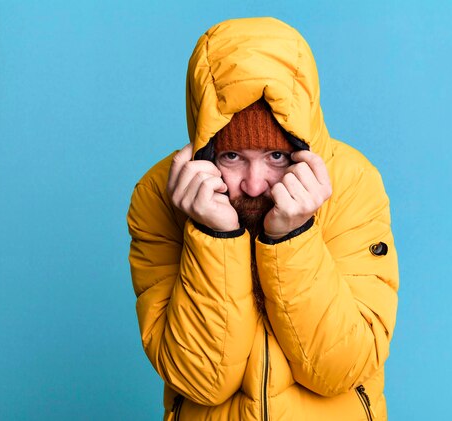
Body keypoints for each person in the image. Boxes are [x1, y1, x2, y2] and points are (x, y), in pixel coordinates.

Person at [127, 16, 399, 421]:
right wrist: (212, 234)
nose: (255, 185)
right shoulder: (159, 197)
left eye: (276, 157)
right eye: (232, 156)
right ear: (205, 150)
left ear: (302, 147)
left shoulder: (353, 184)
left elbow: (340, 368)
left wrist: (294, 236)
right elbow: (199, 379)